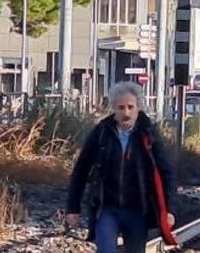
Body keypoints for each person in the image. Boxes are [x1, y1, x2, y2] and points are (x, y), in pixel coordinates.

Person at [64, 81, 179, 253]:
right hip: (107, 208)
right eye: (121, 107)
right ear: (113, 109)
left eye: (131, 107)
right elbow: (81, 170)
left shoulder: (148, 135)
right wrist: (73, 208)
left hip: (137, 209)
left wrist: (169, 210)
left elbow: (166, 172)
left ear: (138, 108)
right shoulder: (101, 133)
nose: (126, 112)